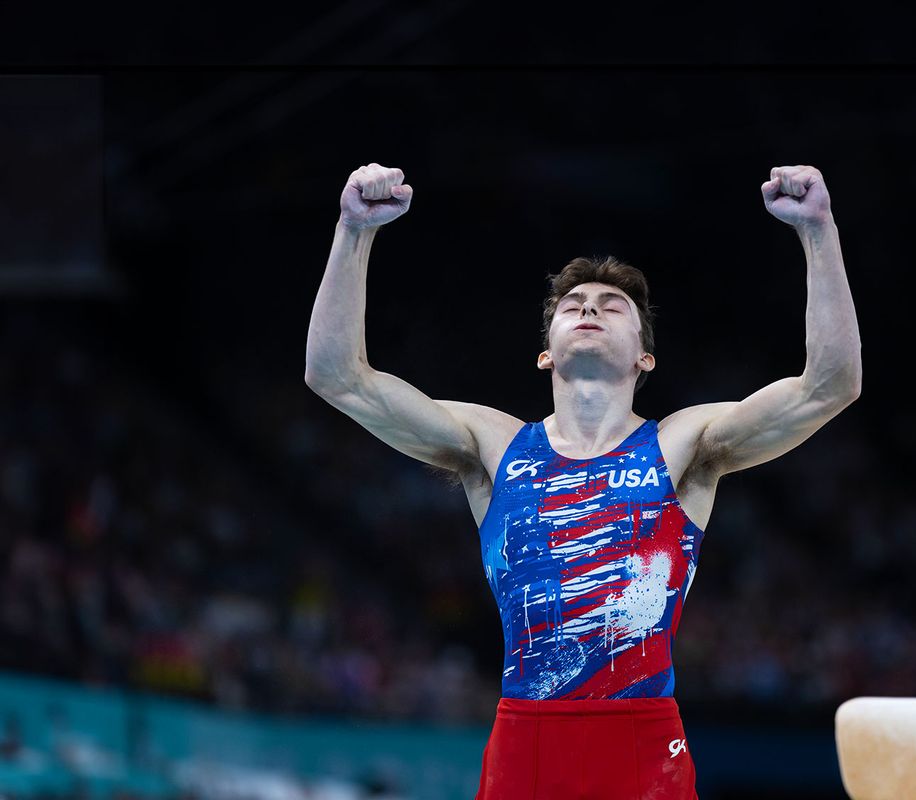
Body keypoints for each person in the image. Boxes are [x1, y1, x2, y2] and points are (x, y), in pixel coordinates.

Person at [304, 162, 861, 799]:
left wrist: (819, 231)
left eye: (612, 305)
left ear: (644, 357)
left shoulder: (684, 445)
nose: (589, 307)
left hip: (641, 740)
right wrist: (353, 231)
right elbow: (336, 376)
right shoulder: (493, 445)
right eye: (573, 305)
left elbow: (831, 385)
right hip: (527, 739)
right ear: (546, 351)